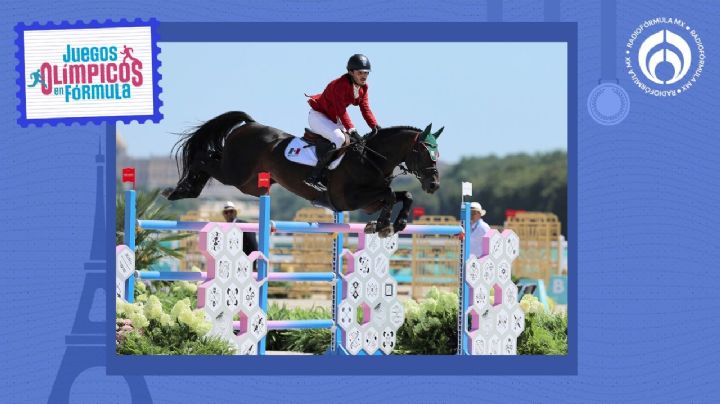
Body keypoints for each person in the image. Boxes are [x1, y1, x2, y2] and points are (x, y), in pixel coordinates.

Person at [304, 54, 381, 191]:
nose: (364, 76)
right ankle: (315, 177)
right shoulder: (339, 85)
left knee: (353, 144)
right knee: (339, 138)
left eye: (366, 73)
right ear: (351, 72)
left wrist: (375, 127)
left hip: (333, 118)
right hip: (319, 116)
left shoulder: (364, 88)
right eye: (360, 72)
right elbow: (341, 110)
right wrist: (353, 130)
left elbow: (365, 109)